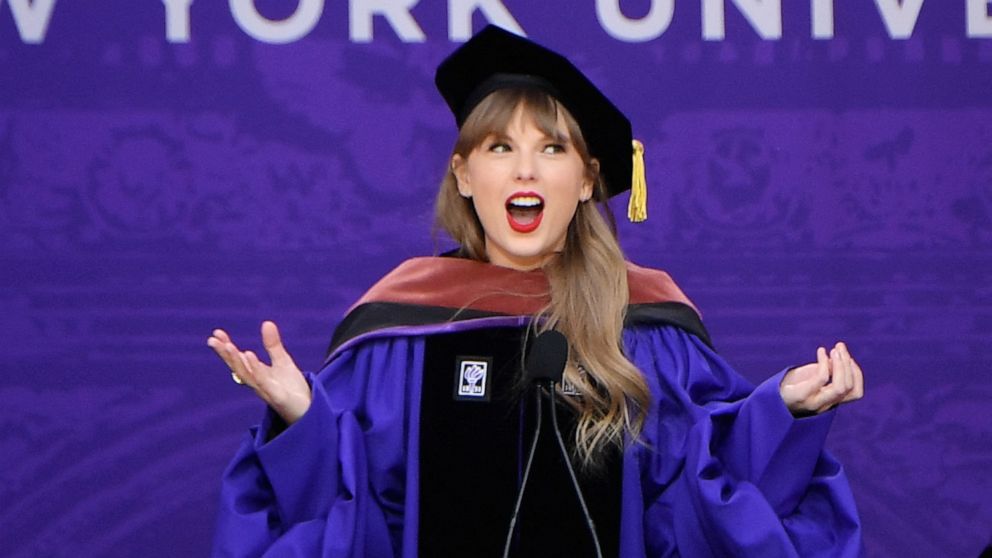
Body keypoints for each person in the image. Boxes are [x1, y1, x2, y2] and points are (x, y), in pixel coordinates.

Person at [208, 25, 865, 557]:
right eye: (498, 147)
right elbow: (360, 514)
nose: (524, 169)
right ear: (464, 174)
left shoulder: (647, 328)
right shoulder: (399, 329)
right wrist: (302, 423)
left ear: (587, 179)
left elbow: (695, 494)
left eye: (552, 148)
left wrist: (783, 411)